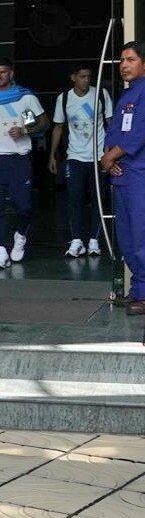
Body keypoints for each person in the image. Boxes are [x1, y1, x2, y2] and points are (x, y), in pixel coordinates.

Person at [0, 59, 49, 270]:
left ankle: (20, 236)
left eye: (3, 72)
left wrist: (24, 130)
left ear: (11, 73)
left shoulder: (23, 97)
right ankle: (2, 252)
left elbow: (42, 123)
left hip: (19, 159)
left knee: (24, 206)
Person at [48, 64, 113, 257]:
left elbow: (111, 124)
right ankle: (77, 240)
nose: (86, 80)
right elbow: (58, 127)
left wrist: (109, 152)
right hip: (75, 156)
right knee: (74, 199)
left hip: (98, 156)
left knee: (98, 199)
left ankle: (94, 240)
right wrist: (52, 155)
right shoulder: (64, 98)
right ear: (73, 77)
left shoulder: (101, 94)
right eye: (82, 76)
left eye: (88, 76)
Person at [100, 41, 145, 315]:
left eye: (130, 59)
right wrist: (110, 156)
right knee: (127, 240)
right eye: (121, 60)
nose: (123, 65)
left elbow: (138, 134)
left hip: (139, 176)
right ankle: (138, 291)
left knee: (141, 238)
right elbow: (115, 131)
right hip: (122, 175)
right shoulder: (127, 95)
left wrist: (111, 157)